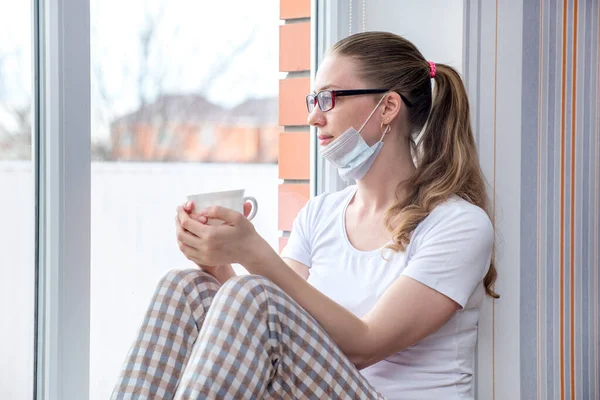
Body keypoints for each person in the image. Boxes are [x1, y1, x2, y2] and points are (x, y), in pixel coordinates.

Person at [111, 31, 498, 400]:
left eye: (328, 99)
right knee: (186, 288)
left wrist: (254, 254)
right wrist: (221, 266)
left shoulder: (458, 225)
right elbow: (274, 329)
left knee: (256, 295)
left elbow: (365, 345)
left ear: (388, 108)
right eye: (312, 102)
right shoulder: (320, 214)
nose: (314, 118)